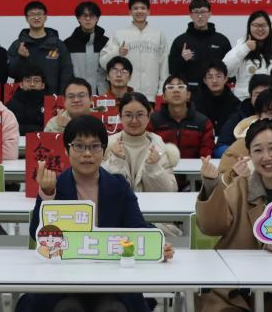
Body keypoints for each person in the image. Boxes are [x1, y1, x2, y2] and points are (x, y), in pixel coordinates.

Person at [25, 115, 175, 312]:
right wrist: (47, 194)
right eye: (79, 146)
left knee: (112, 309)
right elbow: (36, 233)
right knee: (67, 308)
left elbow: (137, 226)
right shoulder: (55, 186)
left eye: (95, 146)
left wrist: (157, 245)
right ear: (66, 150)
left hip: (112, 278)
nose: (87, 153)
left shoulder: (119, 186)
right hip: (64, 278)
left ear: (104, 151)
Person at [194, 119, 272, 312]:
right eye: (258, 150)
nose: (266, 157)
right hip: (233, 290)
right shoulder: (240, 188)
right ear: (249, 155)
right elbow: (211, 227)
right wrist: (211, 184)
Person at [218, 86, 272, 185]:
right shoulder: (240, 147)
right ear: (259, 116)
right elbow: (220, 184)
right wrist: (234, 176)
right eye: (270, 113)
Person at [104, 92, 178, 192]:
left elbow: (170, 190)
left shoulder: (157, 145)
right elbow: (105, 189)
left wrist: (153, 168)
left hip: (152, 202)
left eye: (140, 115)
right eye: (128, 115)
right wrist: (116, 161)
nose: (134, 121)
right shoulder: (108, 145)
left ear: (148, 117)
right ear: (120, 117)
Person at [99, 0, 168, 100]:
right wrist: (117, 53)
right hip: (125, 95)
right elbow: (103, 62)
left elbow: (164, 66)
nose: (139, 11)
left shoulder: (158, 35)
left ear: (149, 11)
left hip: (152, 95)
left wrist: (161, 92)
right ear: (130, 12)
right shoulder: (120, 34)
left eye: (143, 8)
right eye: (135, 8)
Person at [9, 0, 74, 94]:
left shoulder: (58, 45)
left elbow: (66, 74)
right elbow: (10, 73)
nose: (36, 17)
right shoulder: (18, 45)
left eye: (39, 14)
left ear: (45, 17)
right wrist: (20, 58)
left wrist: (61, 97)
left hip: (51, 97)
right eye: (32, 15)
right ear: (26, 18)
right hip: (24, 98)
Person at [168, 0, 233, 89]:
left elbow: (230, 69)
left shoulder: (221, 40)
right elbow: (172, 71)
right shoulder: (180, 41)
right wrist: (182, 59)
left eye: (203, 12)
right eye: (196, 12)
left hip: (216, 91)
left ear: (210, 13)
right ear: (190, 15)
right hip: (190, 92)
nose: (200, 16)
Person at [223, 11, 272, 99]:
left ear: (270, 27)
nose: (260, 29)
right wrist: (245, 48)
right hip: (246, 99)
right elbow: (226, 70)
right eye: (256, 25)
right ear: (249, 27)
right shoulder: (242, 44)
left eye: (264, 25)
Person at [150, 73, 215, 159]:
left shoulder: (203, 122)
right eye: (170, 87)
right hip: (161, 165)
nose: (176, 90)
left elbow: (206, 153)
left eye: (181, 87)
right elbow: (148, 149)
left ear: (188, 95)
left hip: (195, 167)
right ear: (164, 96)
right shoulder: (153, 121)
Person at [217, 73, 272, 154]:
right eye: (257, 94)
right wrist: (241, 153)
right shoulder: (237, 117)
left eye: (266, 94)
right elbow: (220, 147)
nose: (262, 98)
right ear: (250, 96)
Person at [64, 0, 109, 92]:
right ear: (78, 18)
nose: (88, 19)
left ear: (97, 18)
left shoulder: (107, 43)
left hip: (102, 93)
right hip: (77, 94)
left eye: (91, 15)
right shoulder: (68, 44)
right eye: (84, 15)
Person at [194, 61, 239, 133]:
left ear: (226, 78)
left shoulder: (235, 103)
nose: (214, 80)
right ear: (205, 80)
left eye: (218, 76)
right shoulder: (197, 102)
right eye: (210, 77)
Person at [6, 64, 47, 134]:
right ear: (21, 84)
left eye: (36, 81)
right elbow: (7, 128)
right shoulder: (11, 105)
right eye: (28, 80)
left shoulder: (49, 104)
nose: (32, 84)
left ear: (43, 85)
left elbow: (51, 128)